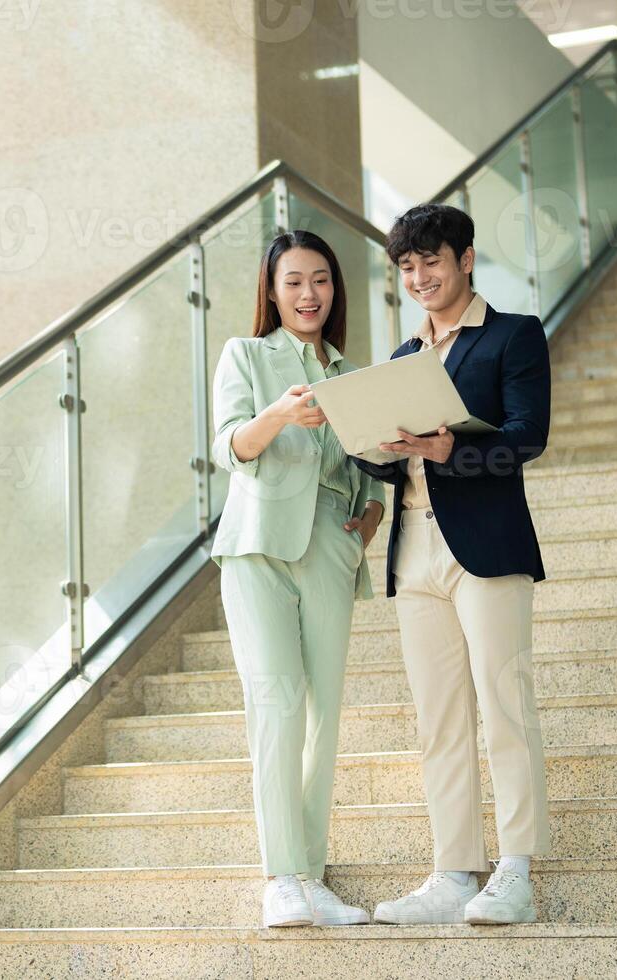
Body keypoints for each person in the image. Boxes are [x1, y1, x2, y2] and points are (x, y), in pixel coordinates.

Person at [350, 203, 552, 926]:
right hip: (414, 549)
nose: (419, 277)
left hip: (486, 547)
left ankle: (517, 868)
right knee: (439, 718)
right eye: (406, 267)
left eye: (431, 261)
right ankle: (454, 870)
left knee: (504, 702)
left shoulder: (514, 336)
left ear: (466, 259)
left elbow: (529, 439)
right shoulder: (405, 357)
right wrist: (373, 445)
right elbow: (388, 457)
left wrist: (452, 450)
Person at [210, 229, 387, 928]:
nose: (309, 293)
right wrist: (281, 410)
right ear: (273, 291)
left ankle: (313, 877)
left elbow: (376, 464)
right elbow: (230, 447)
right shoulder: (246, 355)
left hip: (330, 545)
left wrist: (370, 519)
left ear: (334, 290)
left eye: (321, 280)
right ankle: (281, 878)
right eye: (294, 281)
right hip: (255, 548)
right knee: (277, 702)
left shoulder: (352, 374)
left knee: (324, 715)